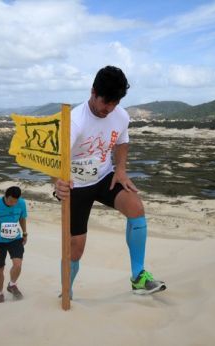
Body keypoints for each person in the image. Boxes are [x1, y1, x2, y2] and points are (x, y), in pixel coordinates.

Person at [54, 65, 166, 297]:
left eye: (115, 103)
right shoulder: (74, 121)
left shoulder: (120, 115)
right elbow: (55, 157)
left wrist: (121, 169)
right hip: (77, 186)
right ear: (93, 92)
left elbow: (122, 141)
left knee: (136, 207)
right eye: (106, 102)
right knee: (76, 247)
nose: (110, 108)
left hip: (105, 176)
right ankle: (67, 291)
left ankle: (138, 277)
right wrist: (57, 181)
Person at [0, 186, 28, 303]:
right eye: (10, 200)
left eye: (15, 201)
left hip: (15, 239)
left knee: (18, 264)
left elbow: (22, 219)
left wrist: (24, 233)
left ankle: (12, 285)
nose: (13, 203)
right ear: (5, 196)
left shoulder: (21, 203)